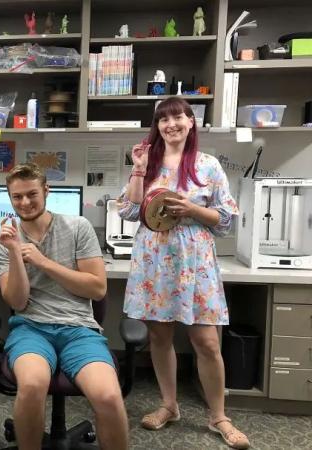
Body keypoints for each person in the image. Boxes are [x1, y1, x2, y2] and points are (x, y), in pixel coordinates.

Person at [119, 97, 246, 449]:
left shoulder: (208, 165)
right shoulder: (150, 161)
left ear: (191, 122)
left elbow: (225, 219)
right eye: (163, 119)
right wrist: (139, 168)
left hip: (195, 260)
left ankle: (219, 416)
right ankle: (169, 405)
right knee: (160, 339)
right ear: (157, 126)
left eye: (177, 117)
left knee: (206, 342)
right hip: (154, 260)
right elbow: (129, 211)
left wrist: (191, 208)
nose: (170, 124)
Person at [0, 163, 128, 450]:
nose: (25, 202)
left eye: (32, 194)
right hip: (30, 328)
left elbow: (97, 288)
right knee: (31, 386)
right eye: (17, 197)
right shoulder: (3, 243)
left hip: (79, 328)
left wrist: (43, 262)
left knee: (108, 397)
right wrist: (15, 253)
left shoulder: (78, 227)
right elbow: (17, 302)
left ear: (46, 191)